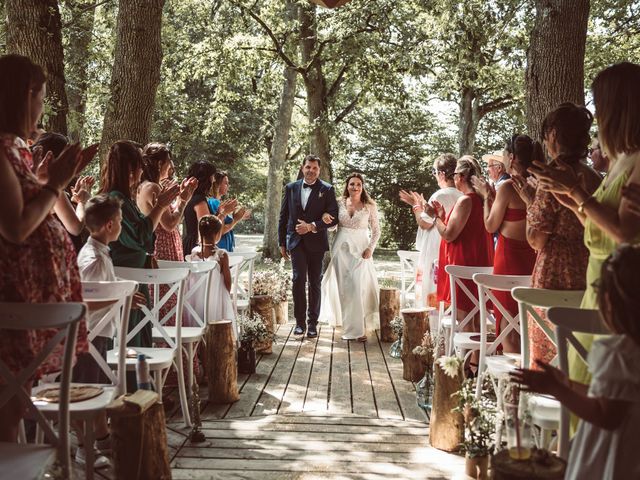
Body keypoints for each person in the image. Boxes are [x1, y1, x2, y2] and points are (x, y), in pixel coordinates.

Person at [0, 54, 94, 442]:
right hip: (12, 297)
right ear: (25, 95)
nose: (43, 106)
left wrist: (48, 181)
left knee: (14, 402)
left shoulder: (17, 149)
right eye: (41, 96)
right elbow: (15, 227)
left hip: (29, 297)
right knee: (7, 402)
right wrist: (56, 183)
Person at [511, 244, 640, 480]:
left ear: (611, 303)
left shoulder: (618, 353)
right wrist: (568, 383)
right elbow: (612, 398)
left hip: (611, 455)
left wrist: (556, 389)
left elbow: (606, 416)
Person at [513, 103, 601, 367]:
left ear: (552, 134)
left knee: (549, 353)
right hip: (588, 271)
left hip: (554, 273)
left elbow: (535, 238)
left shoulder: (552, 177)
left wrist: (532, 202)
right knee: (581, 357)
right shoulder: (595, 177)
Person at [73, 194, 144, 468]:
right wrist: (121, 297)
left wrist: (123, 290)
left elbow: (105, 286)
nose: (123, 224)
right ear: (109, 226)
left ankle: (103, 439)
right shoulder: (93, 260)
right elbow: (84, 300)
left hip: (98, 335)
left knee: (98, 387)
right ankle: (83, 447)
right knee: (85, 391)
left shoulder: (100, 253)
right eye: (121, 221)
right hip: (88, 336)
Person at [99, 140, 179, 348]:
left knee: (140, 337)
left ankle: (139, 380)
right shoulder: (115, 200)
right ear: (130, 168)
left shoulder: (126, 199)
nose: (142, 170)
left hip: (135, 278)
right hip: (125, 280)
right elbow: (140, 238)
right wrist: (160, 205)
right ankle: (129, 380)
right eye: (138, 165)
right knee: (130, 343)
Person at [472, 135, 538, 353]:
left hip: (508, 258)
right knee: (528, 323)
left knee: (508, 324)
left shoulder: (509, 186)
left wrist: (485, 198)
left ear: (511, 157)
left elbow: (491, 225)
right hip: (532, 256)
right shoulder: (538, 184)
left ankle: (513, 384)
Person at [278, 154, 339, 338]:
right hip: (296, 242)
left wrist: (312, 226)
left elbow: (333, 216)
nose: (311, 171)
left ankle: (312, 323)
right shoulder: (290, 188)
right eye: (308, 167)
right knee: (298, 280)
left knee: (314, 282)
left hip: (316, 242)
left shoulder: (327, 189)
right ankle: (299, 323)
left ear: (319, 170)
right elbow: (283, 217)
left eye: (315, 168)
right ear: (302, 168)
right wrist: (282, 242)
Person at [319, 173, 381, 341]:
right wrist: (325, 220)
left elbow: (376, 230)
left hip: (361, 249)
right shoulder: (338, 203)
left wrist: (370, 248)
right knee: (343, 288)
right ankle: (348, 326)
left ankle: (359, 329)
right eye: (352, 184)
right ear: (347, 186)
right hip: (341, 248)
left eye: (358, 184)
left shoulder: (369, 206)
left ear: (363, 187)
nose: (355, 187)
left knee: (356, 285)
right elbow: (332, 228)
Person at [399, 153, 462, 308]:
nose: (434, 176)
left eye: (435, 172)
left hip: (435, 247)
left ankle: (431, 324)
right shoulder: (462, 194)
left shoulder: (440, 195)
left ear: (441, 174)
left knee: (430, 284)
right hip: (452, 247)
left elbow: (424, 222)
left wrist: (416, 206)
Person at [31, 132, 95, 251]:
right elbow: (75, 227)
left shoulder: (27, 180)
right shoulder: (51, 185)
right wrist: (83, 201)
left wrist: (73, 200)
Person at [187, 215, 235, 338]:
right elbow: (228, 282)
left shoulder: (193, 253)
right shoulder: (222, 255)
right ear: (218, 234)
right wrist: (224, 297)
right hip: (216, 301)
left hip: (194, 302)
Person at [182, 160, 235, 257]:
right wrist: (223, 213)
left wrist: (219, 212)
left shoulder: (193, 197)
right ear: (206, 179)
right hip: (196, 250)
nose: (214, 181)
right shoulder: (199, 201)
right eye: (212, 177)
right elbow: (208, 233)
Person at [207, 170, 250, 252]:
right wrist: (236, 220)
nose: (228, 186)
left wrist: (240, 215)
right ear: (217, 185)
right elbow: (221, 230)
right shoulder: (214, 202)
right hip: (221, 246)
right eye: (226, 183)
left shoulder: (218, 202)